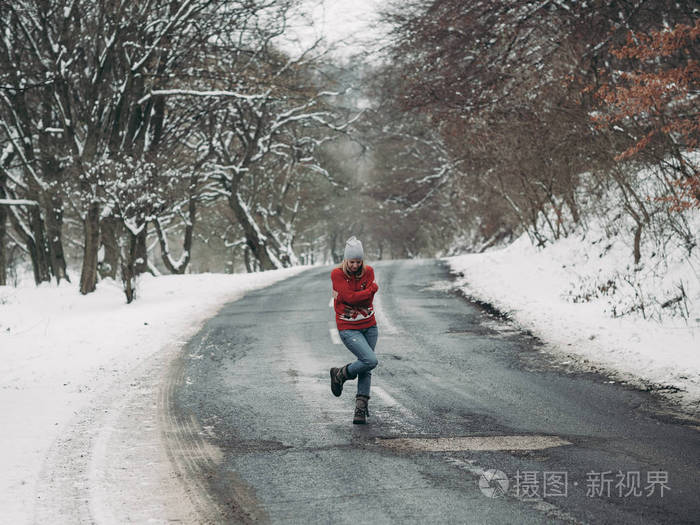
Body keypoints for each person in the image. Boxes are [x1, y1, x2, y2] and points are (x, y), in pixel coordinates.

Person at [330, 236, 379, 424]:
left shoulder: (369, 271)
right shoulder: (337, 274)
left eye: (359, 262)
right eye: (352, 261)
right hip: (348, 327)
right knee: (370, 360)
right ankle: (341, 373)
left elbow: (365, 301)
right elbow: (350, 297)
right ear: (345, 260)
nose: (355, 265)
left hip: (370, 326)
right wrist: (372, 289)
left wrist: (365, 294)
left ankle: (360, 407)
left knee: (366, 366)